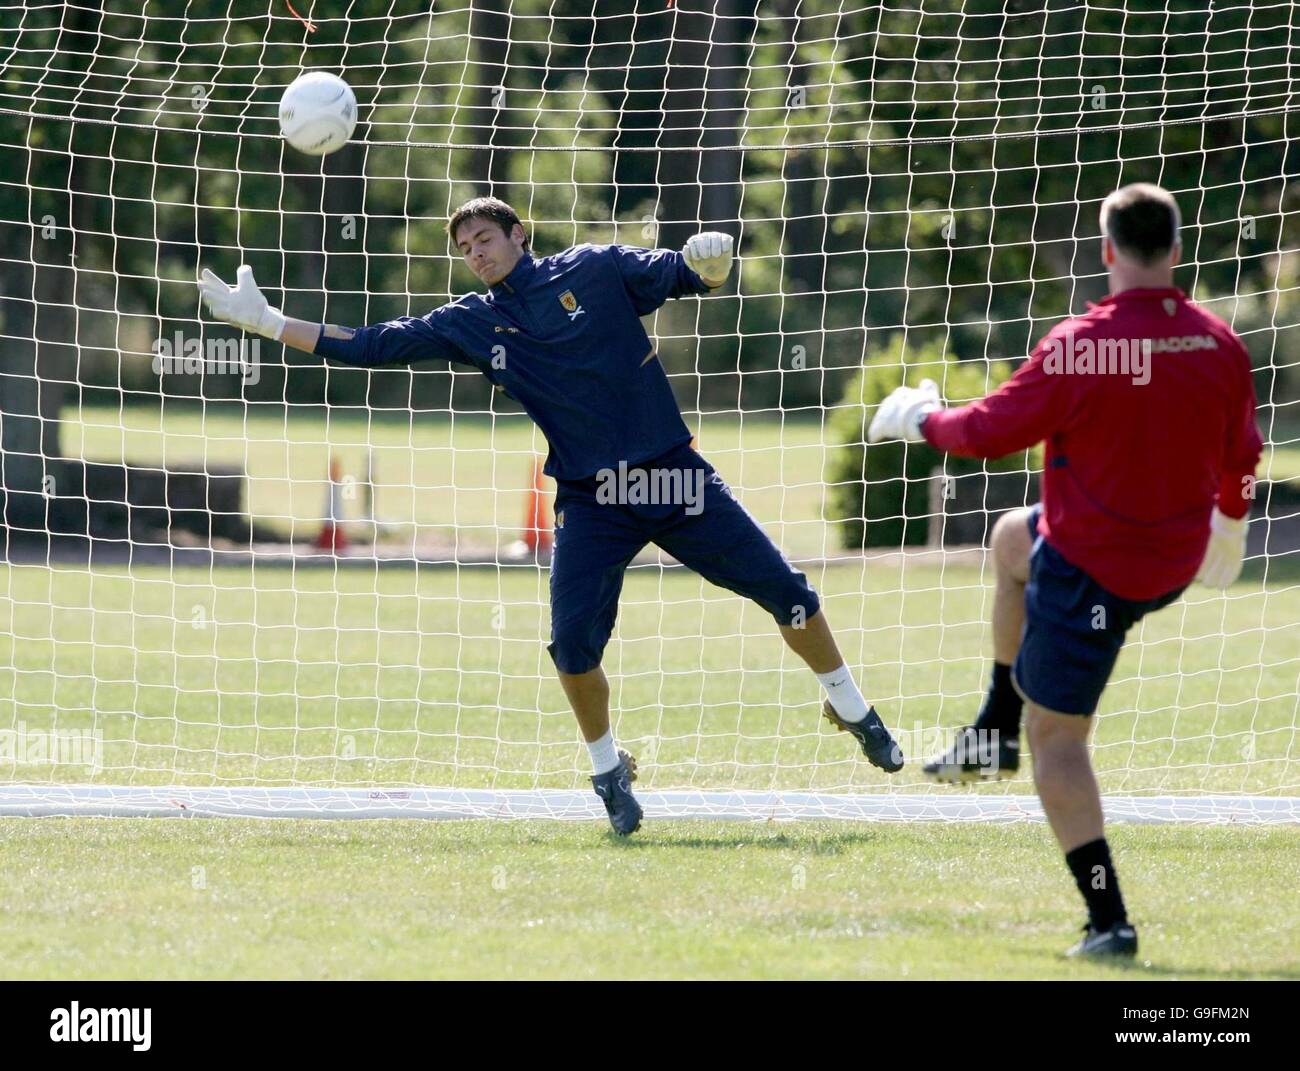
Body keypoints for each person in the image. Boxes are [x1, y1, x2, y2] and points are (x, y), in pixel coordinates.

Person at [198, 196, 904, 837]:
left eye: (484, 237)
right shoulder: (472, 322)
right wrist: (265, 322)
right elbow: (374, 345)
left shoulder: (595, 268)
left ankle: (849, 705)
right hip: (592, 502)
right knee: (570, 645)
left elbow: (682, 275)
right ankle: (607, 769)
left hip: (673, 478)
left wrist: (708, 262)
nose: (475, 252)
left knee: (789, 594)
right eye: (465, 248)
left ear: (518, 233)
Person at [869, 182, 1262, 957]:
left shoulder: (1082, 343)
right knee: (1012, 539)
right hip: (1171, 556)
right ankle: (991, 729)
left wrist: (921, 418)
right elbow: (1242, 452)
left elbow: (987, 430)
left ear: (1108, 250)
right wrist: (1231, 520)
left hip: (1098, 573)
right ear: (1175, 251)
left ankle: (1107, 918)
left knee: (1061, 737)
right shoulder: (1218, 342)